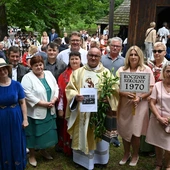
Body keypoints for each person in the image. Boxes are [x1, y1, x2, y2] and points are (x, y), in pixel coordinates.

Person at [65, 47, 119, 170]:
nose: (93, 58)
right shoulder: (78, 72)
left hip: (100, 113)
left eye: (96, 56)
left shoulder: (106, 73)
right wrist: (75, 96)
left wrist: (108, 98)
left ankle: (100, 160)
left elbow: (114, 90)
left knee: (99, 136)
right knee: (83, 134)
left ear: (100, 58)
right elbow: (70, 89)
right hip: (82, 112)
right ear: (87, 56)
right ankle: (82, 161)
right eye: (91, 55)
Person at [117, 45, 155, 166]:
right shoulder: (121, 70)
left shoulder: (147, 70)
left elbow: (151, 88)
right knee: (124, 129)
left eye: (136, 54)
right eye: (131, 54)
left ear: (140, 56)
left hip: (140, 105)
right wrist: (123, 93)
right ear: (128, 56)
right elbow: (115, 87)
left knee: (136, 131)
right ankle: (126, 153)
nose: (133, 57)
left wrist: (140, 97)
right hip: (125, 105)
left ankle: (135, 155)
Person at [21, 56, 59, 167]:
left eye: (40, 64)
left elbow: (56, 87)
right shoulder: (27, 78)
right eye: (36, 65)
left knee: (46, 133)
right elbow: (27, 94)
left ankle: (43, 150)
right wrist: (43, 104)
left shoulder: (49, 74)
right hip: (35, 111)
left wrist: (54, 100)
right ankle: (32, 155)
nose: (39, 67)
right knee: (33, 133)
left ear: (43, 64)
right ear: (31, 66)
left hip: (50, 109)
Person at [0, 58, 28, 170]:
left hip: (16, 116)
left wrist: (25, 119)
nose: (2, 72)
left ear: (8, 69)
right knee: (4, 139)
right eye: (0, 70)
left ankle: (18, 164)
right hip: (1, 117)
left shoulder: (16, 85)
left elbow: (22, 102)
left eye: (4, 69)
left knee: (17, 139)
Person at [57, 51, 83, 156]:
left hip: (83, 107)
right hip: (69, 107)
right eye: (72, 59)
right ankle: (68, 148)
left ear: (81, 60)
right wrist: (60, 108)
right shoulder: (63, 76)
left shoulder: (86, 73)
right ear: (69, 60)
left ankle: (80, 150)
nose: (74, 61)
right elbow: (61, 94)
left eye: (76, 58)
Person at [146, 62, 170, 170]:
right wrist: (159, 117)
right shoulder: (157, 85)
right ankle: (158, 163)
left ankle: (168, 165)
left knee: (169, 146)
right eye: (168, 71)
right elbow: (151, 103)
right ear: (164, 72)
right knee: (158, 143)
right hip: (157, 119)